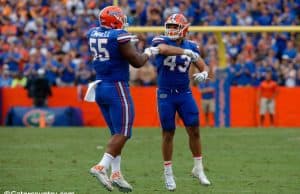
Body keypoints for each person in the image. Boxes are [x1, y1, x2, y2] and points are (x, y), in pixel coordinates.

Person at [86, 6, 155, 192]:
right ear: (115, 20)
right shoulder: (119, 36)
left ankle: (116, 174)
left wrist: (128, 43)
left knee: (116, 132)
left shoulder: (92, 33)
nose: (124, 22)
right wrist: (149, 51)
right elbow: (138, 62)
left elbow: (114, 46)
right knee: (124, 132)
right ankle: (101, 166)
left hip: (100, 86)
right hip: (116, 87)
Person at [148, 13, 212, 191]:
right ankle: (168, 172)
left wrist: (204, 73)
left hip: (184, 93)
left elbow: (203, 64)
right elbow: (163, 49)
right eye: (169, 26)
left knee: (195, 129)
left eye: (175, 27)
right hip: (165, 94)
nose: (171, 30)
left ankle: (198, 168)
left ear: (184, 29)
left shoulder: (192, 45)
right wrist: (186, 52)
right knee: (168, 132)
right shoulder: (160, 41)